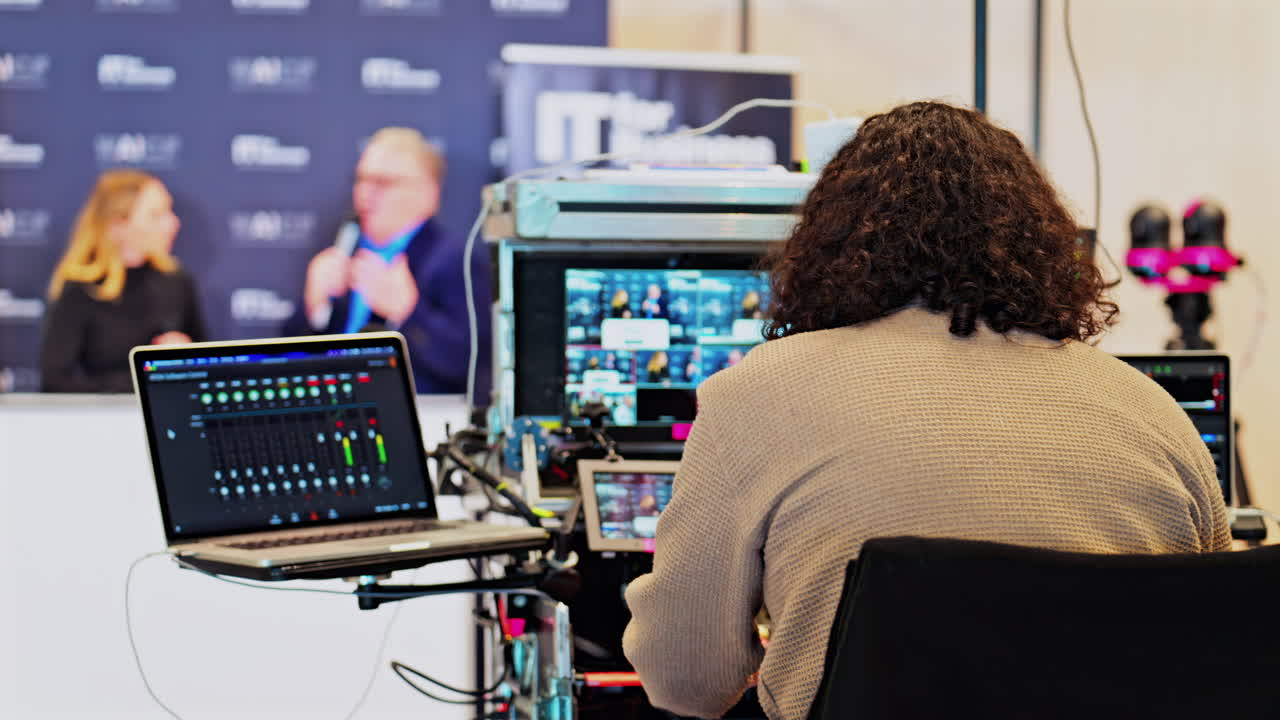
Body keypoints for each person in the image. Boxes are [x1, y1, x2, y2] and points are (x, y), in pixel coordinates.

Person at [621, 102, 1230, 720]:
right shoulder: (1150, 410)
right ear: (1041, 241)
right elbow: (1224, 652)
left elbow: (686, 679)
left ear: (830, 243)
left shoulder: (756, 394)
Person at [283, 127, 490, 397]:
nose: (365, 193)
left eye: (383, 182)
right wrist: (314, 308)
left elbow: (469, 365)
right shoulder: (343, 250)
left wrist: (408, 311)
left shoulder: (455, 261)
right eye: (361, 180)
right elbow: (289, 359)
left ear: (427, 192)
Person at [41, 170, 205, 392]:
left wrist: (187, 356)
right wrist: (144, 376)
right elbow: (54, 380)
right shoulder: (81, 289)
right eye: (156, 215)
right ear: (117, 224)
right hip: (107, 420)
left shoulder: (176, 280)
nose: (173, 223)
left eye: (169, 211)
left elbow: (207, 364)